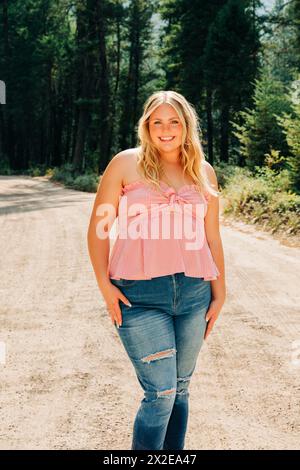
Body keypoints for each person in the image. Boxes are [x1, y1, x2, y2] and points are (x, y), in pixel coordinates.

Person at [87, 90, 226, 450]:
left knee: (180, 389)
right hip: (139, 296)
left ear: (186, 125)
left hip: (194, 292)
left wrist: (220, 291)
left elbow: (212, 235)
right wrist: (105, 285)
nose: (166, 130)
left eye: (174, 121)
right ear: (146, 126)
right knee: (160, 392)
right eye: (157, 122)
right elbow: (100, 229)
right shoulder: (125, 164)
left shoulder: (203, 171)